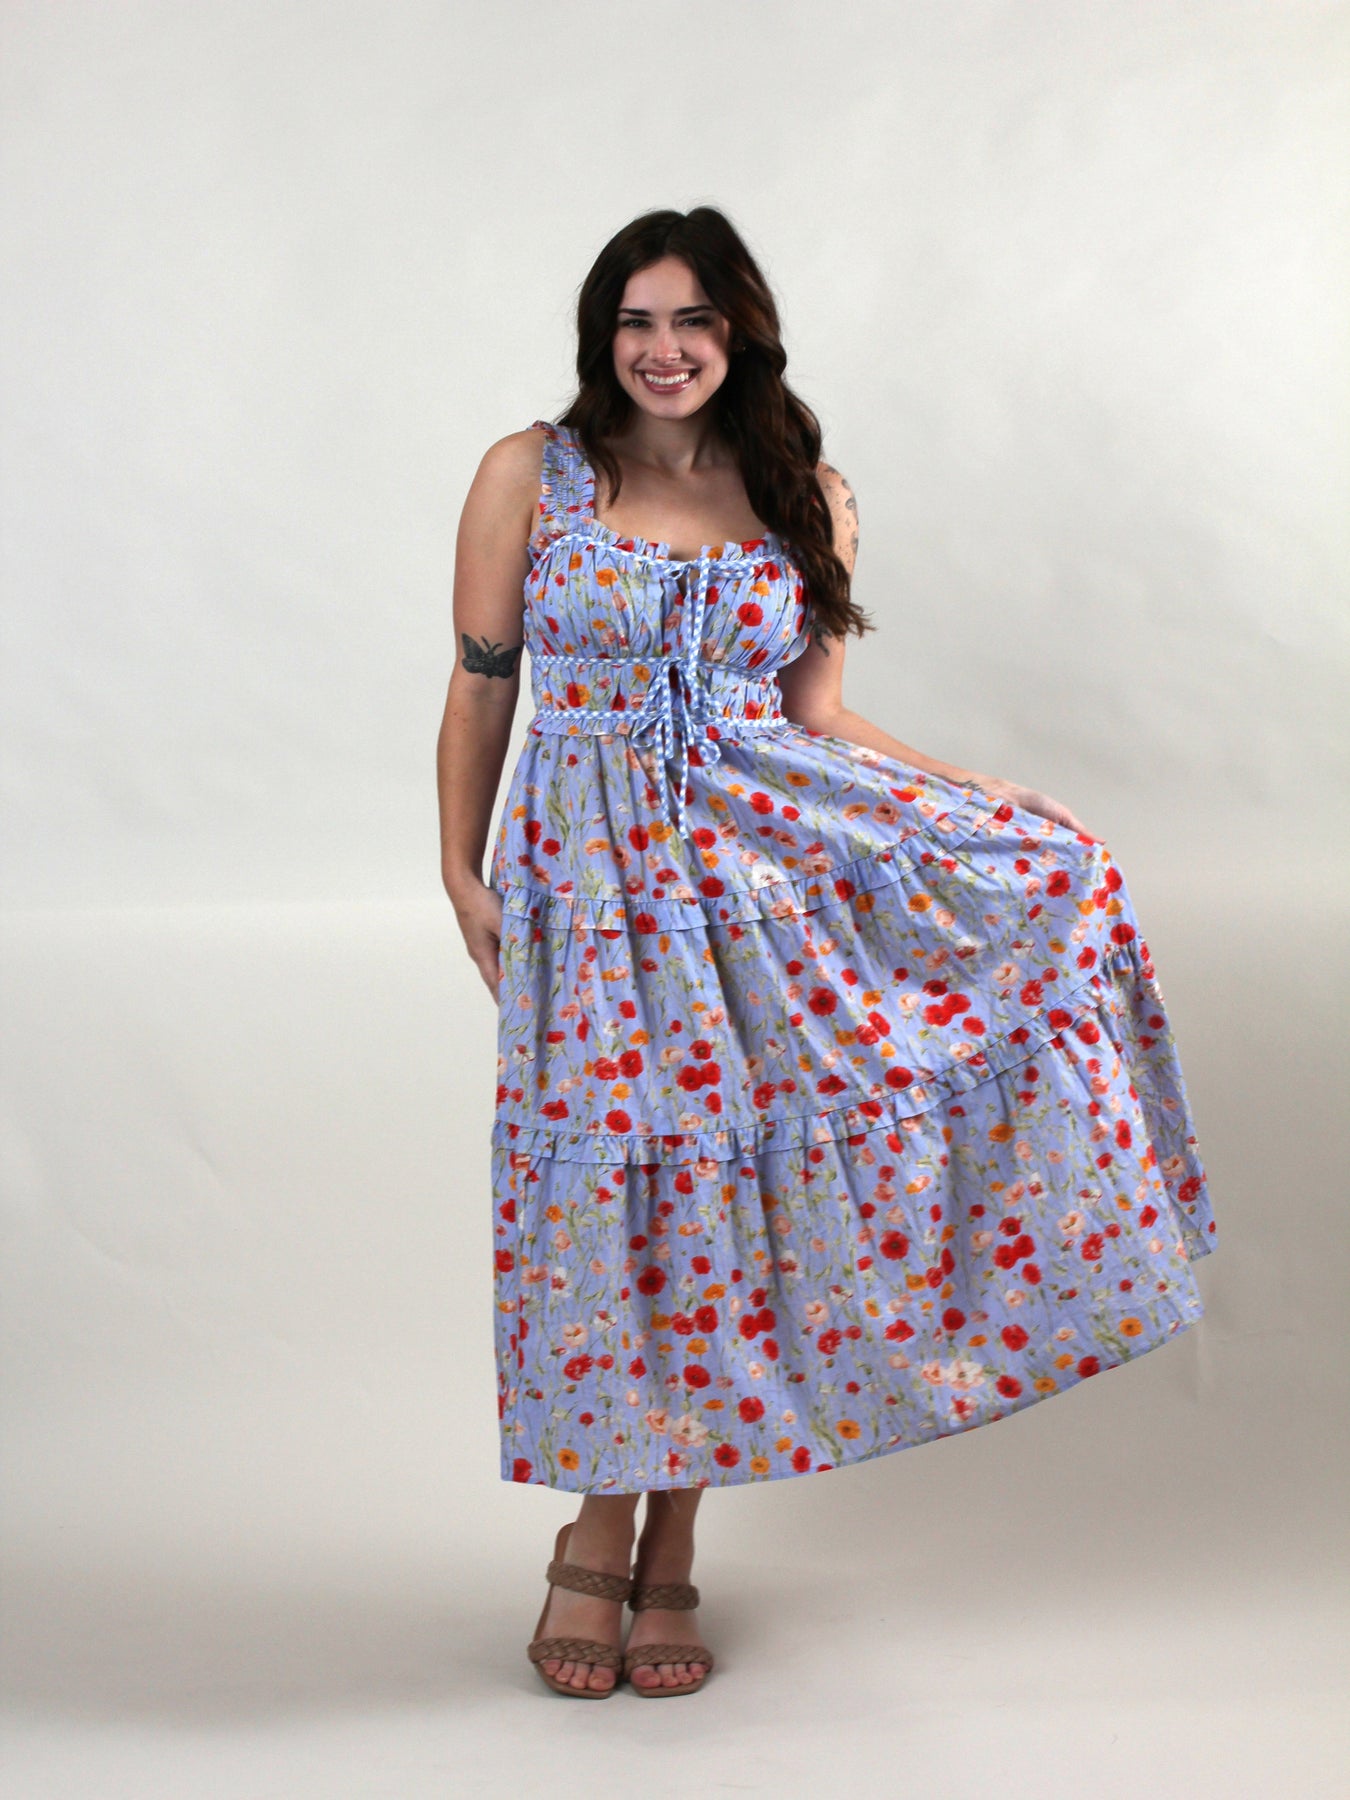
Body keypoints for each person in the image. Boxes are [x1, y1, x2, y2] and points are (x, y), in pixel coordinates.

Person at [436, 206, 1217, 1700]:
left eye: (694, 322)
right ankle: (600, 1529)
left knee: (720, 1193)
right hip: (589, 883)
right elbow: (481, 687)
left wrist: (980, 796)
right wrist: (458, 871)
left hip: (759, 881)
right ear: (603, 337)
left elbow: (815, 717)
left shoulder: (806, 490)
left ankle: (662, 1542)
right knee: (612, 1184)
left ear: (741, 335)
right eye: (636, 322)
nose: (665, 350)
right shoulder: (531, 474)